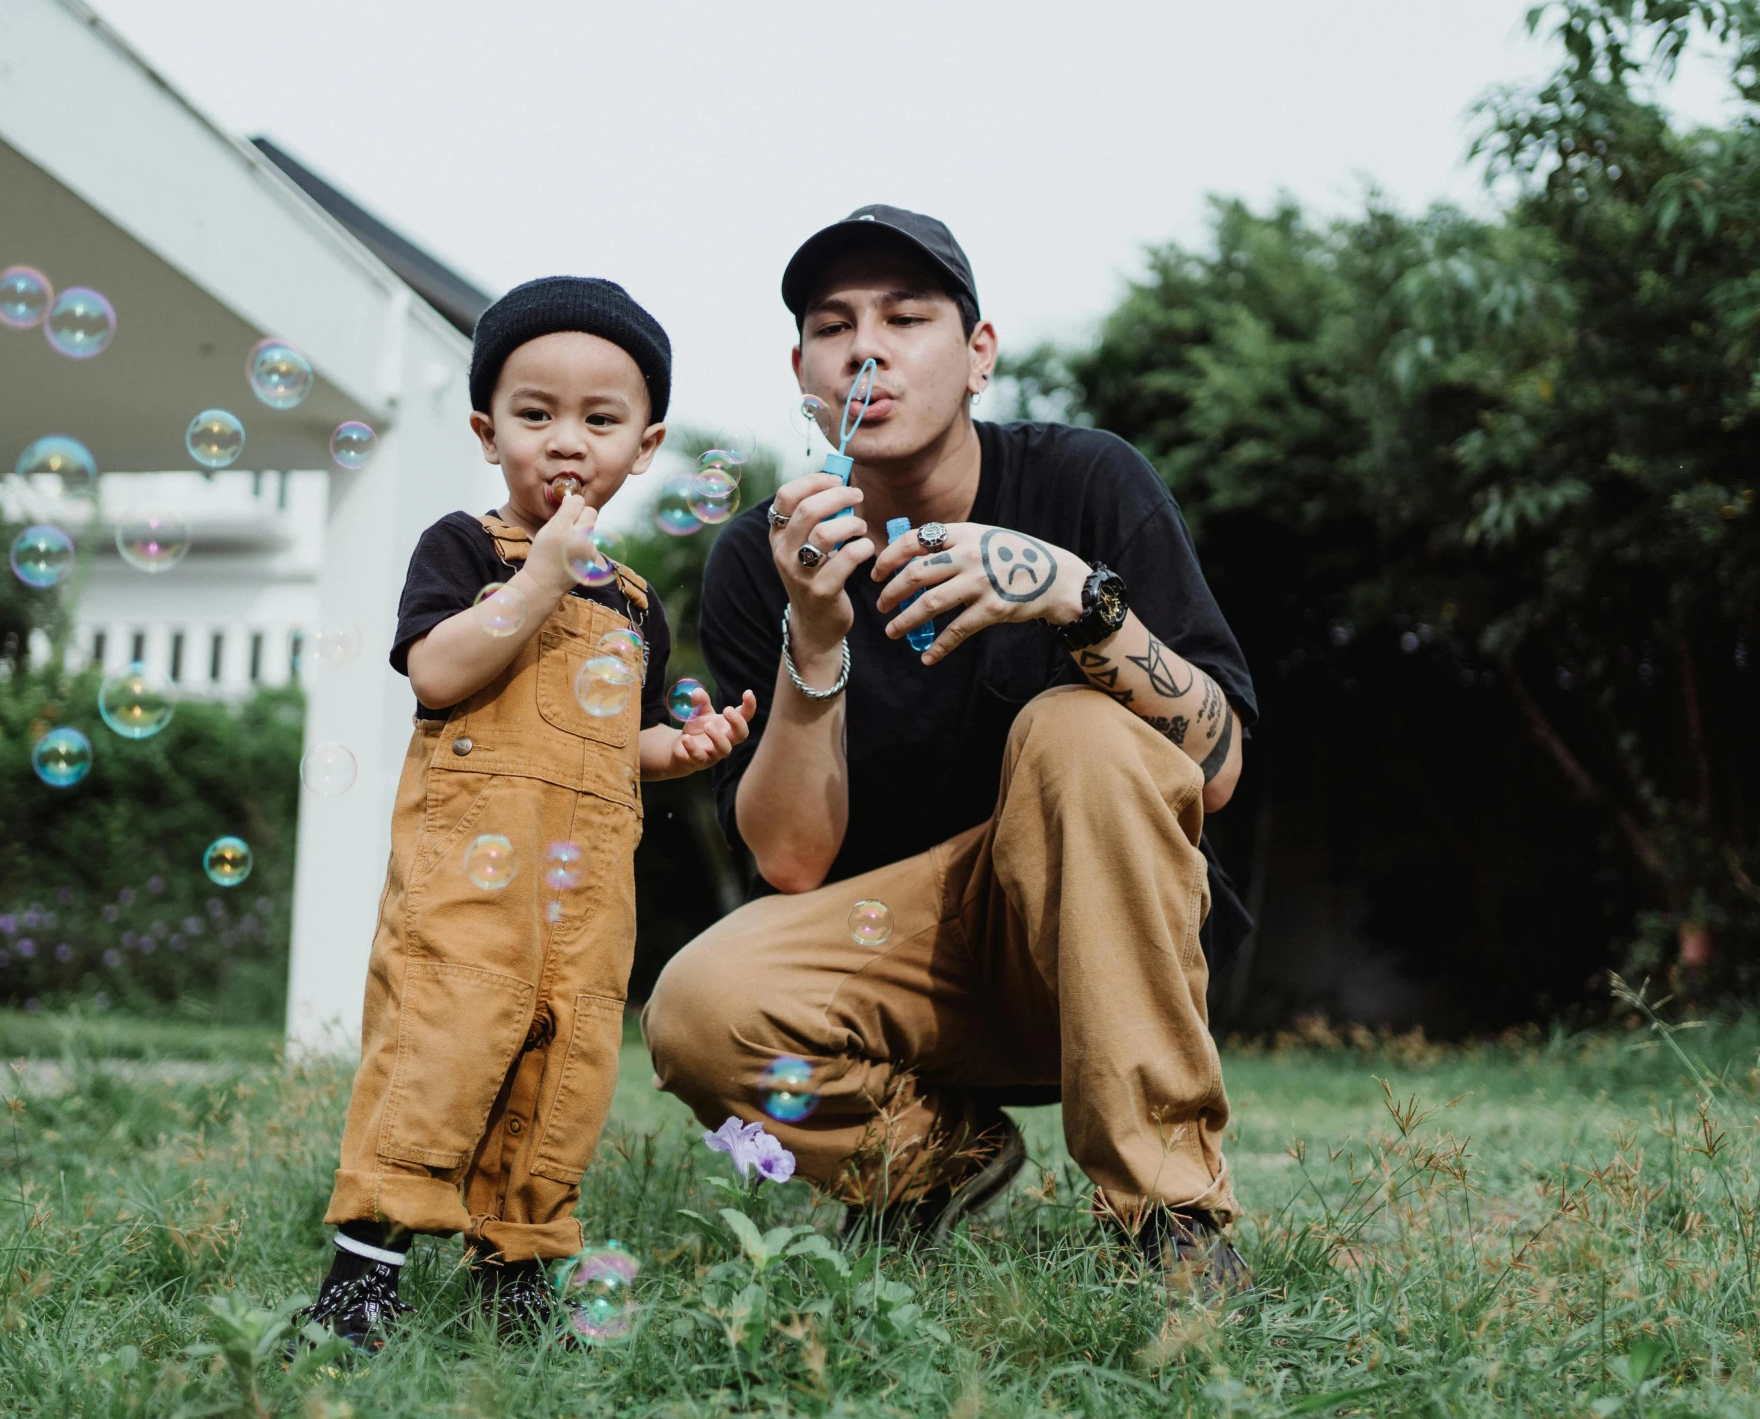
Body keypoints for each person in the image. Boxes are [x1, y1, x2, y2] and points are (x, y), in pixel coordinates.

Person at [642, 207, 1257, 1286]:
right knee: (697, 1010)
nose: (865, 349)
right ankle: (934, 1159)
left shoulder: (1086, 483)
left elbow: (1218, 764)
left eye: (906, 316)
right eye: (833, 327)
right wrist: (814, 638)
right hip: (905, 958)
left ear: (978, 357)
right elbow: (789, 862)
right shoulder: (764, 558)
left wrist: (1077, 597)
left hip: (1111, 937)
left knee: (1071, 726)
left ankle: (1171, 1219)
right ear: (804, 372)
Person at [305, 277, 757, 1347]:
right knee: (440, 1052)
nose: (566, 442)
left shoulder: (635, 596)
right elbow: (437, 669)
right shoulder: (464, 549)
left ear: (642, 447)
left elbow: (621, 734)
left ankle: (520, 1272)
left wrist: (681, 747)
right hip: (472, 879)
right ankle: (362, 1278)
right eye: (534, 414)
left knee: (565, 1074)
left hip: (587, 895)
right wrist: (540, 577)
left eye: (599, 420)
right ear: (486, 429)